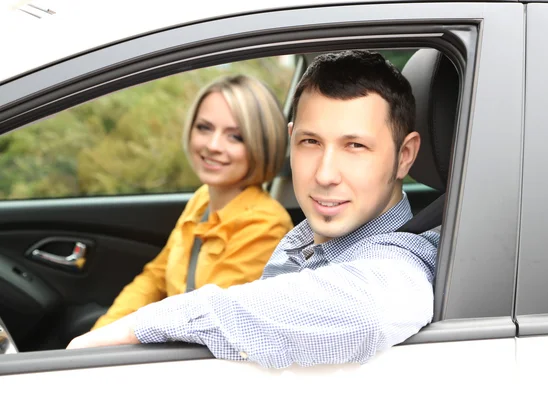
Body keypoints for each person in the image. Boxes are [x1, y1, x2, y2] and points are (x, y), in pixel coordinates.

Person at [68, 50, 441, 370]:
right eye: (310, 142)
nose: (325, 174)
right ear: (291, 139)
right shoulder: (304, 240)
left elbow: (369, 311)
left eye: (355, 146)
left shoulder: (406, 259)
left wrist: (143, 325)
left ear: (404, 155)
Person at [90, 74, 293, 330]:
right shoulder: (202, 199)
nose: (213, 145)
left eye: (235, 136)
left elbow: (208, 321)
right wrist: (103, 331)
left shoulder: (266, 225)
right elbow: (155, 277)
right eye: (204, 128)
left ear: (262, 145)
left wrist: (116, 337)